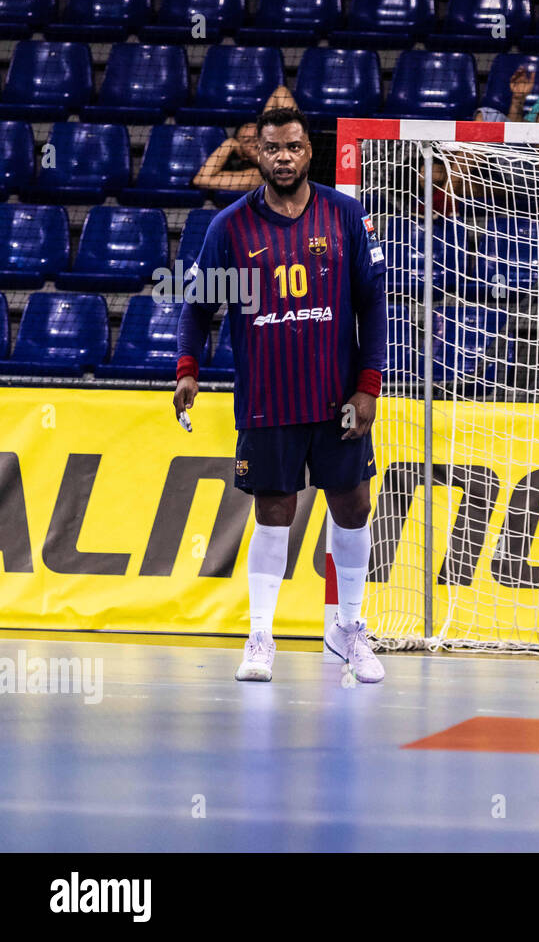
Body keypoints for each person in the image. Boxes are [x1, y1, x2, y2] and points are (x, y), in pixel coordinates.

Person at [173, 108, 388, 684]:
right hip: (269, 399)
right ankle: (261, 636)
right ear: (257, 156)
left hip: (338, 398)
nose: (284, 157)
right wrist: (188, 368)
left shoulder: (345, 216)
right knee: (273, 514)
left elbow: (374, 305)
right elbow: (196, 307)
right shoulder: (230, 228)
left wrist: (369, 387)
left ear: (308, 151)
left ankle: (348, 629)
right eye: (272, 149)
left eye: (293, 146)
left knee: (354, 507)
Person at [192, 85, 300, 193]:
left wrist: (266, 124)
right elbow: (201, 179)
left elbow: (281, 92)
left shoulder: (296, 144)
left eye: (257, 136)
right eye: (247, 141)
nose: (255, 143)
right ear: (243, 155)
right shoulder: (255, 177)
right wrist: (229, 144)